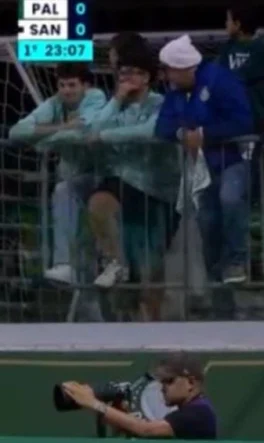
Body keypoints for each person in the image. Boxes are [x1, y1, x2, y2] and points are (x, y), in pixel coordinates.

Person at [86, 48, 180, 321]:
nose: (127, 78)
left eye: (134, 73)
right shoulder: (116, 105)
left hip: (158, 188)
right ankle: (115, 263)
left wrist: (106, 136)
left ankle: (154, 325)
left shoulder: (161, 103)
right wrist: (116, 100)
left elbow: (153, 131)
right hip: (124, 180)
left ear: (147, 77)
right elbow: (92, 131)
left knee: (150, 267)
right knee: (98, 203)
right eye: (123, 73)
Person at [155, 35, 254, 292]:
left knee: (230, 199)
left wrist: (204, 135)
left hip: (234, 159)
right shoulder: (176, 94)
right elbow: (162, 126)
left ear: (186, 68)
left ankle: (236, 262)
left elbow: (244, 121)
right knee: (207, 221)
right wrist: (182, 135)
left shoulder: (221, 80)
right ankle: (215, 277)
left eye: (171, 72)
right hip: (201, 168)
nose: (168, 78)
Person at [8, 63, 107, 285]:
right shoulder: (55, 104)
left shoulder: (96, 97)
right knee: (85, 251)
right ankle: (66, 266)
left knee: (64, 191)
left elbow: (82, 131)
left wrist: (42, 140)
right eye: (61, 85)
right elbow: (16, 132)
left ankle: (68, 265)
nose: (66, 90)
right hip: (76, 180)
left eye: (72, 85)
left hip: (105, 176)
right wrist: (60, 127)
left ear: (86, 86)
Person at [60, 352, 217, 439]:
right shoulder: (186, 413)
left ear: (190, 382)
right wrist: (113, 415)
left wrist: (93, 403)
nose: (162, 388)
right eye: (161, 382)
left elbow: (146, 430)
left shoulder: (199, 412)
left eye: (169, 381)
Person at [219, 5, 264, 132]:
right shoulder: (227, 49)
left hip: (258, 113)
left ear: (237, 24)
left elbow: (248, 74)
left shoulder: (261, 47)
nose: (226, 24)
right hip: (233, 113)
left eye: (228, 20)